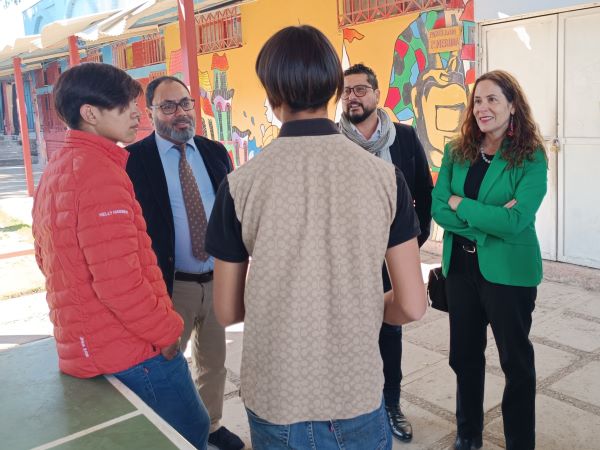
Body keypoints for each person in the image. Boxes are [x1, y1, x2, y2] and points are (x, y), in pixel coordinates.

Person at [205, 25, 427, 450]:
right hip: (356, 392)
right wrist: (363, 304)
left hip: (276, 395)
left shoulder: (239, 185)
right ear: (333, 90)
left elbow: (227, 310)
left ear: (271, 95)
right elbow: (412, 305)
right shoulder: (386, 179)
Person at [31, 62, 210, 449]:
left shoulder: (58, 169)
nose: (136, 113)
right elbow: (119, 283)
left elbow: (46, 258)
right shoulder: (98, 172)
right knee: (190, 433)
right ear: (90, 113)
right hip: (131, 352)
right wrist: (166, 333)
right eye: (124, 105)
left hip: (88, 345)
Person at [431, 70, 547, 450]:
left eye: (492, 99)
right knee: (464, 357)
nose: (483, 108)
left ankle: (519, 442)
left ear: (513, 106)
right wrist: (486, 219)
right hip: (461, 271)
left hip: (509, 274)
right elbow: (436, 208)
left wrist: (460, 204)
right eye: (477, 101)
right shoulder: (455, 151)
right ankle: (468, 435)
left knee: (515, 362)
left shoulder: (530, 158)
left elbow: (516, 222)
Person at [126, 76, 243, 450]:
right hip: (169, 284)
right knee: (166, 366)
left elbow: (229, 211)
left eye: (185, 103)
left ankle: (211, 426)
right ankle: (169, 432)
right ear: (150, 113)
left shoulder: (214, 151)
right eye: (168, 106)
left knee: (214, 361)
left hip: (217, 278)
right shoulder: (133, 161)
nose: (180, 113)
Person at [340, 63, 433, 443]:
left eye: (360, 89)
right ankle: (352, 409)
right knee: (347, 336)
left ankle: (391, 404)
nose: (352, 97)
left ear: (377, 95)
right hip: (347, 262)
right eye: (346, 91)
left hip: (391, 260)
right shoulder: (334, 141)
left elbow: (424, 195)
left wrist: (413, 244)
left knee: (389, 335)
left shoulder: (405, 139)